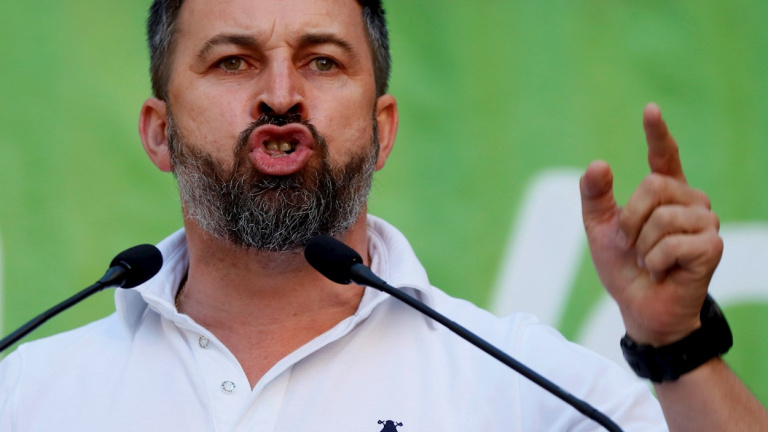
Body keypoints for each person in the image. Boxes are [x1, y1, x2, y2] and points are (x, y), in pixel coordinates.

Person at [0, 0, 766, 430]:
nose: (280, 96)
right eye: (233, 61)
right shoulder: (29, 394)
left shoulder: (519, 383)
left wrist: (680, 348)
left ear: (383, 128)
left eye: (322, 61)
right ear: (159, 132)